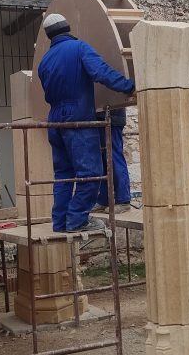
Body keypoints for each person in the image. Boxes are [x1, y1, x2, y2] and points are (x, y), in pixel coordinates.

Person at [37, 13, 135, 233]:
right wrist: (128, 86)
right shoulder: (79, 48)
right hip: (78, 117)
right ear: (68, 28)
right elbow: (101, 72)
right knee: (90, 173)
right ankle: (77, 220)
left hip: (55, 119)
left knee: (63, 175)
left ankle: (60, 223)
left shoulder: (44, 61)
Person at [94, 106, 131, 213]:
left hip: (112, 116)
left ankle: (123, 200)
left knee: (114, 157)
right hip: (101, 114)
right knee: (102, 158)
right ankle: (103, 199)